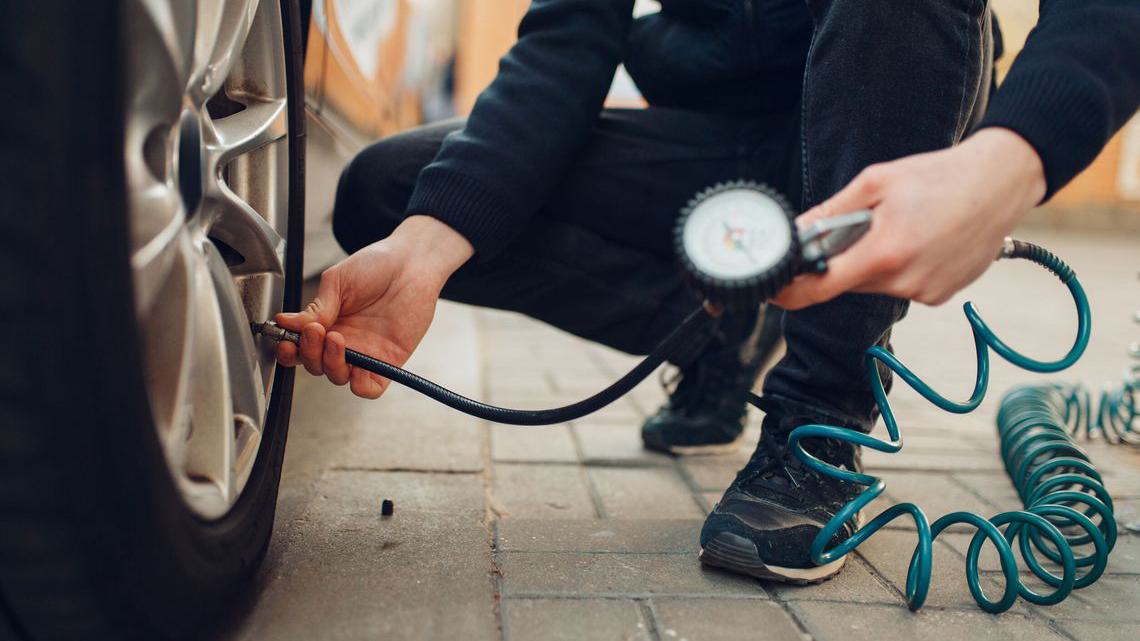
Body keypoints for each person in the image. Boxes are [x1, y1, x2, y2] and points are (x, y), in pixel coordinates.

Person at [275, 0, 1140, 583]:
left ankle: (816, 425)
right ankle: (717, 336)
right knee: (390, 190)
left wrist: (1010, 158)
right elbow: (564, 44)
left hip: (892, 105)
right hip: (718, 144)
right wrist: (427, 251)